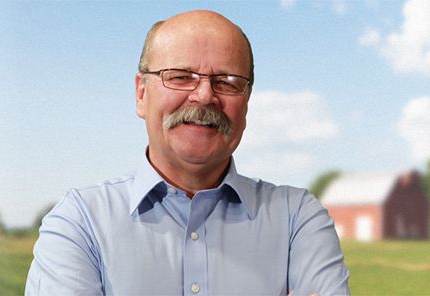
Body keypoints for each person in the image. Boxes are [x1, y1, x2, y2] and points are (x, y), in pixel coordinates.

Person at [26, 10, 350, 296]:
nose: (204, 95)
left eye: (227, 81)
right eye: (181, 77)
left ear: (246, 102)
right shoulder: (80, 222)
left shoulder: (299, 219)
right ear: (141, 94)